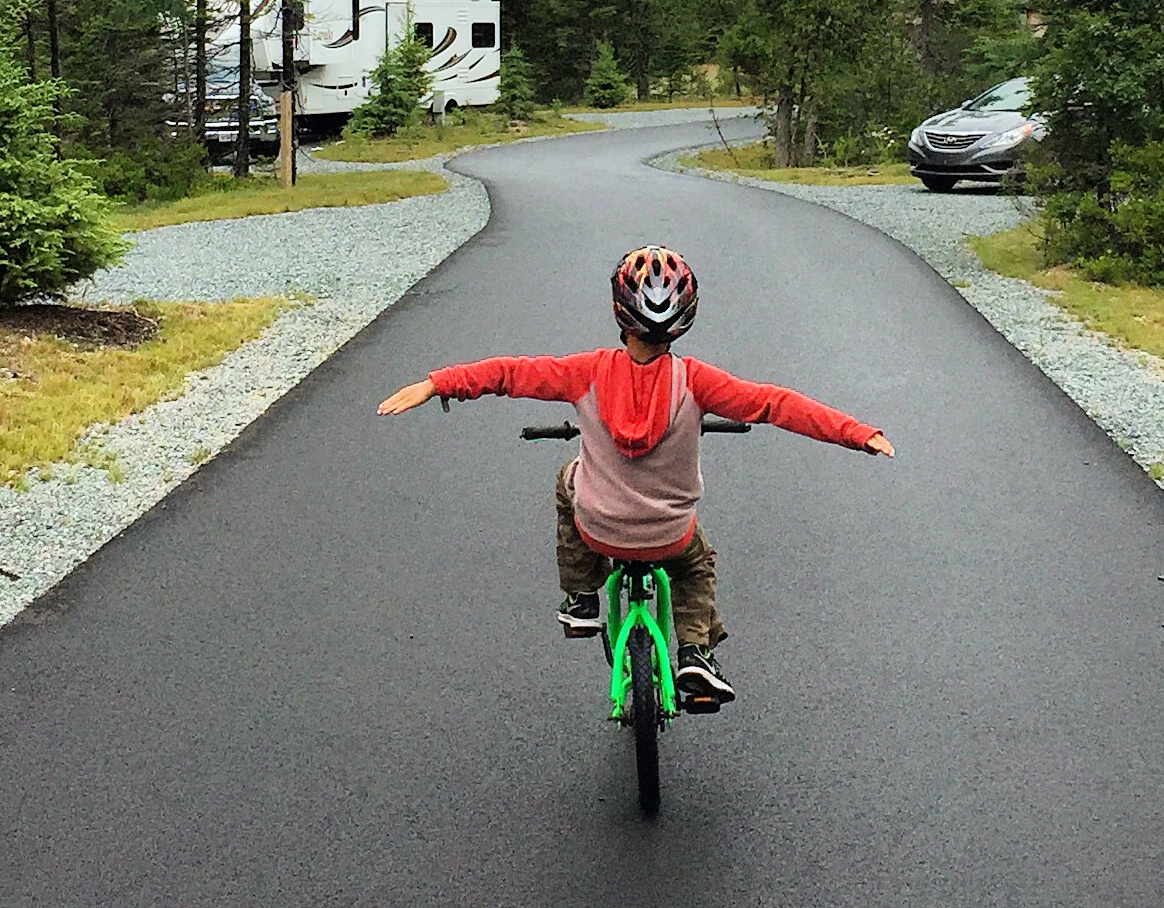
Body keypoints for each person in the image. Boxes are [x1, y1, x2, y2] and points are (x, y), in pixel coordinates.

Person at [376, 243, 892, 706]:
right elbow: (776, 404)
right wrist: (855, 432)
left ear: (620, 313)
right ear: (685, 318)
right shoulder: (698, 382)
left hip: (599, 528)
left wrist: (440, 383)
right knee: (697, 564)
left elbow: (509, 373)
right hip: (668, 535)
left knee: (567, 479)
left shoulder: (586, 373)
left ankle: (581, 599)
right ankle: (693, 654)